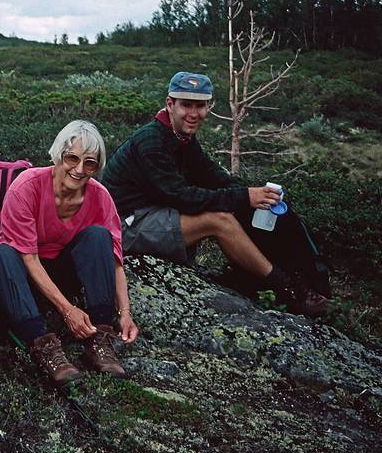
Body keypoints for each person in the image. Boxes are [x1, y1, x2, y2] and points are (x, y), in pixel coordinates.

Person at [101, 71, 329, 317]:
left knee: (234, 205)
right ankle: (286, 287)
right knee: (218, 221)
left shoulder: (182, 138)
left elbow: (212, 176)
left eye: (200, 106)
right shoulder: (151, 141)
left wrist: (256, 195)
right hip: (124, 225)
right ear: (170, 104)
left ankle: (253, 276)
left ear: (208, 107)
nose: (193, 113)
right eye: (185, 105)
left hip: (152, 214)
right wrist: (244, 196)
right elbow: (180, 197)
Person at [0, 120, 139, 386]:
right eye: (72, 158)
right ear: (58, 155)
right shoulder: (27, 186)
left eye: (89, 163)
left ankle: (100, 335)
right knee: (0, 255)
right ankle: (43, 345)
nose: (79, 170)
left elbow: (115, 261)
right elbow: (28, 257)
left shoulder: (100, 196)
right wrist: (68, 311)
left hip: (58, 268)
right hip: (20, 269)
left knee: (99, 236)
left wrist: (124, 312)